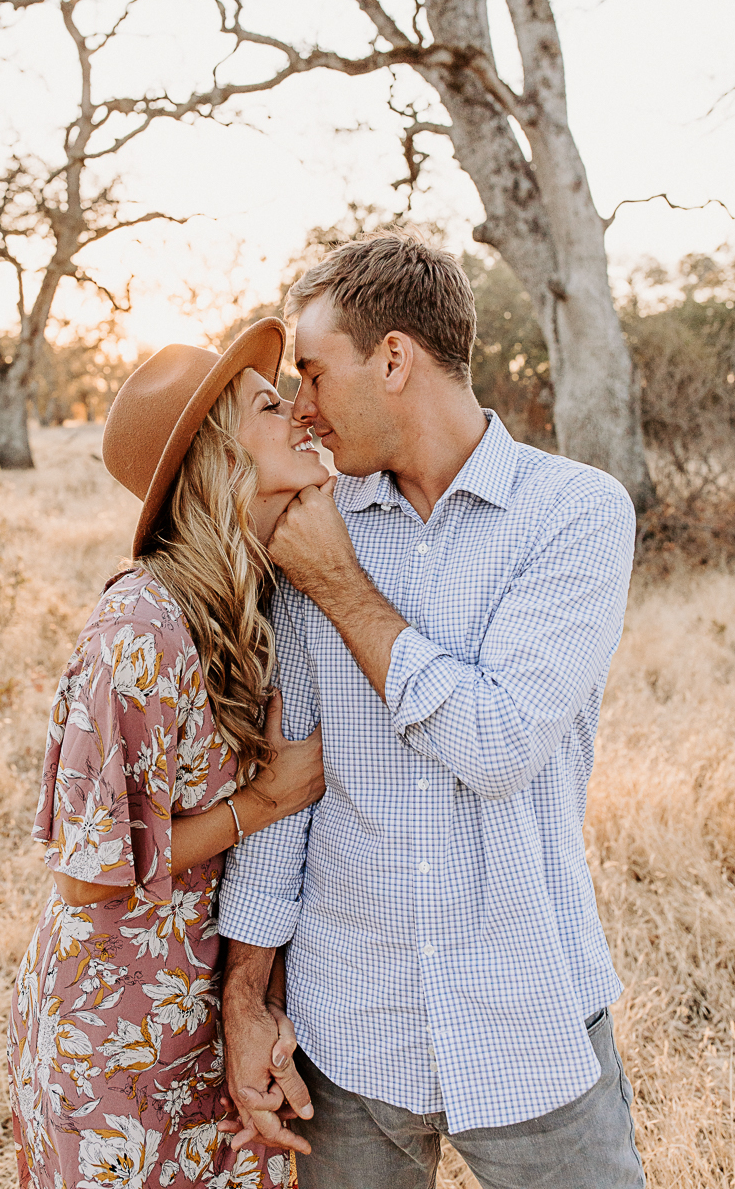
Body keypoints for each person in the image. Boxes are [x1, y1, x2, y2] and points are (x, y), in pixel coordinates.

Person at [217, 234, 646, 1189]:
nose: (306, 411)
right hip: (349, 1029)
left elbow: (496, 745)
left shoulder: (574, 514)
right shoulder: (306, 519)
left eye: (316, 375)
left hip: (527, 1017)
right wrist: (246, 996)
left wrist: (339, 587)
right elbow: (288, 787)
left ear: (396, 360)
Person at [7, 318, 328, 1189]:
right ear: (218, 457)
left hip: (208, 1016)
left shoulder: (262, 601)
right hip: (117, 1027)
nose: (301, 412)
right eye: (270, 405)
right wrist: (266, 802)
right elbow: (86, 871)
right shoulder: (141, 628)